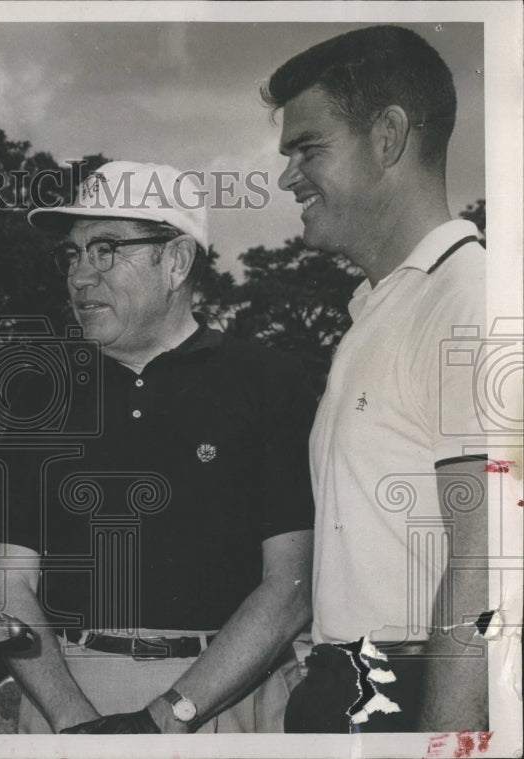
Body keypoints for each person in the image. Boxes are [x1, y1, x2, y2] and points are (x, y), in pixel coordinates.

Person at [0, 161, 317, 733]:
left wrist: (166, 719)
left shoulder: (273, 383)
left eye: (106, 249)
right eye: (72, 255)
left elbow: (289, 588)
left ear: (177, 261)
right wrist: (75, 726)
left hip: (227, 698)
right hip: (63, 692)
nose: (80, 277)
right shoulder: (40, 391)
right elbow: (8, 584)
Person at [262, 25, 492, 732]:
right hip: (356, 684)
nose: (286, 175)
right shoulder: (380, 308)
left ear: (388, 136)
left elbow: (489, 563)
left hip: (412, 695)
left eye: (309, 148)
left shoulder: (469, 301)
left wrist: (448, 746)